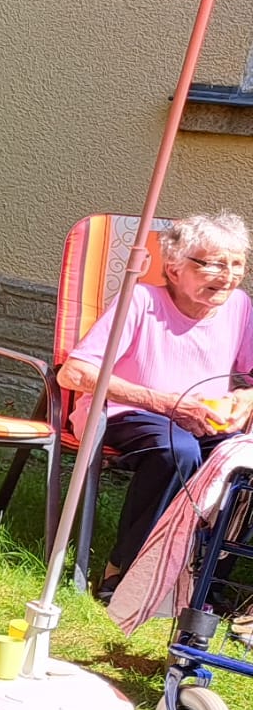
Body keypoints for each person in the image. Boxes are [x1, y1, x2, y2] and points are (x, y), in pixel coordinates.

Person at [56, 210, 253, 596]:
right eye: (214, 264)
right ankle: (125, 570)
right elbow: (74, 373)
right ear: (175, 268)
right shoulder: (141, 301)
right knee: (176, 451)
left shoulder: (240, 307)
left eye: (237, 264)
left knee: (244, 462)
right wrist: (168, 404)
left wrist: (246, 398)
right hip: (132, 412)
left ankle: (205, 575)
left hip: (206, 418)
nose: (228, 276)